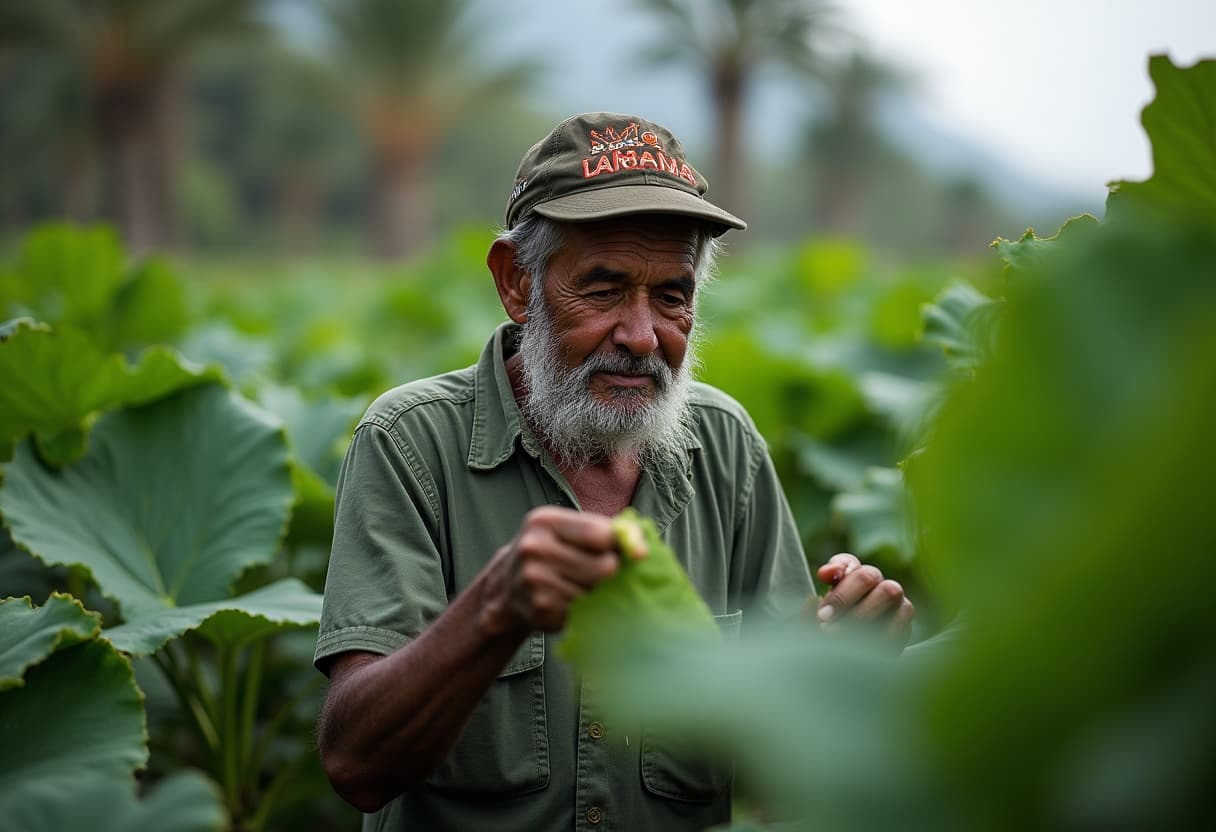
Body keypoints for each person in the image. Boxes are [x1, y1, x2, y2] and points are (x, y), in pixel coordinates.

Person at [314, 112, 915, 831]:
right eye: (602, 290)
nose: (641, 335)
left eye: (672, 297)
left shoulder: (727, 450)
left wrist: (834, 668)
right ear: (516, 284)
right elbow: (357, 765)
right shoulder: (411, 444)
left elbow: (777, 780)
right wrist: (492, 614)